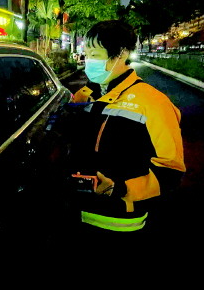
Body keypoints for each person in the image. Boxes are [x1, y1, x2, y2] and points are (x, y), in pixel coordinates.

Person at [66, 20, 186, 235]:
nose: (88, 60)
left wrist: (120, 188)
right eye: (87, 54)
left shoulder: (154, 103)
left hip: (117, 221)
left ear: (121, 54)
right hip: (75, 212)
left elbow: (170, 171)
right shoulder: (86, 95)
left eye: (95, 54)